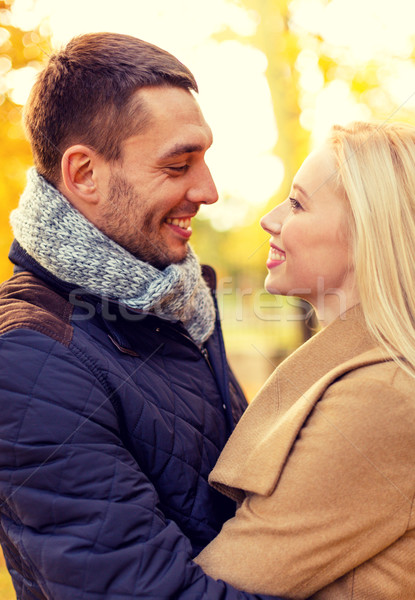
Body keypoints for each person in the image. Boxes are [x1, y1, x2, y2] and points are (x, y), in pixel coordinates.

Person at [0, 32, 278, 600]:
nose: (209, 190)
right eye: (178, 165)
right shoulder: (28, 359)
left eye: (204, 159)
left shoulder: (174, 299)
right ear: (84, 175)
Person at [195, 121, 415, 599]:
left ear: (369, 231)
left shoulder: (383, 394)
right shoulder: (369, 371)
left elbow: (220, 582)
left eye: (296, 203)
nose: (269, 220)